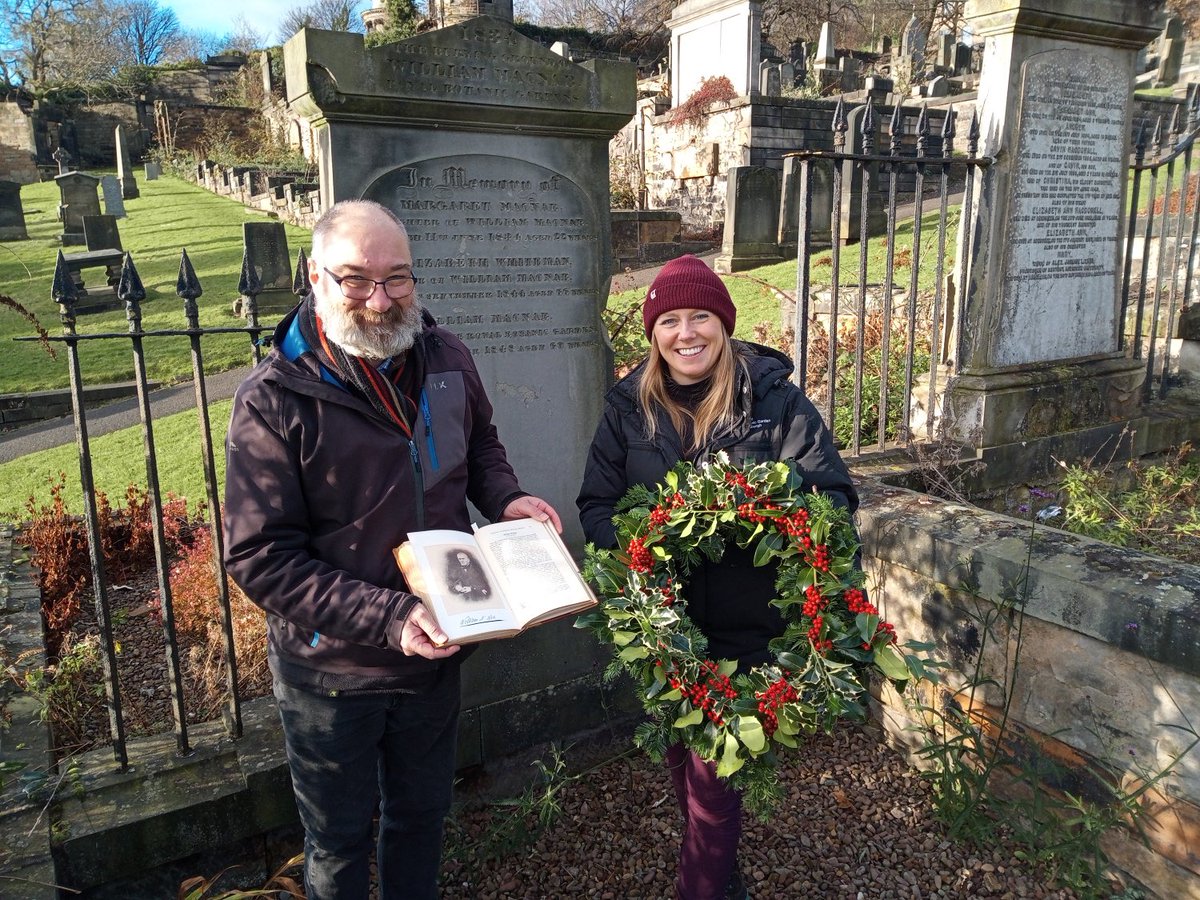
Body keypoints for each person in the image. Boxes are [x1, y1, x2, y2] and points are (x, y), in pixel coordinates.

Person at [223, 199, 561, 900]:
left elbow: (481, 445)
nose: (379, 299)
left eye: (397, 278)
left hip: (436, 653)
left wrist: (506, 500)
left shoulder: (446, 356)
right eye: (356, 279)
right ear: (314, 277)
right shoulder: (273, 400)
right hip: (331, 671)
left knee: (420, 819)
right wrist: (389, 618)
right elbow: (259, 556)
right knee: (339, 846)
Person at [576, 254, 858, 900]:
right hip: (664, 627)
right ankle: (722, 877)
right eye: (669, 319)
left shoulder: (776, 402)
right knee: (687, 765)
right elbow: (596, 503)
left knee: (713, 777)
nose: (686, 333)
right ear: (653, 332)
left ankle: (700, 888)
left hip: (749, 628)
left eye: (700, 315)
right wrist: (641, 544)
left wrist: (762, 512)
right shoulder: (629, 407)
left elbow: (833, 496)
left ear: (724, 324)